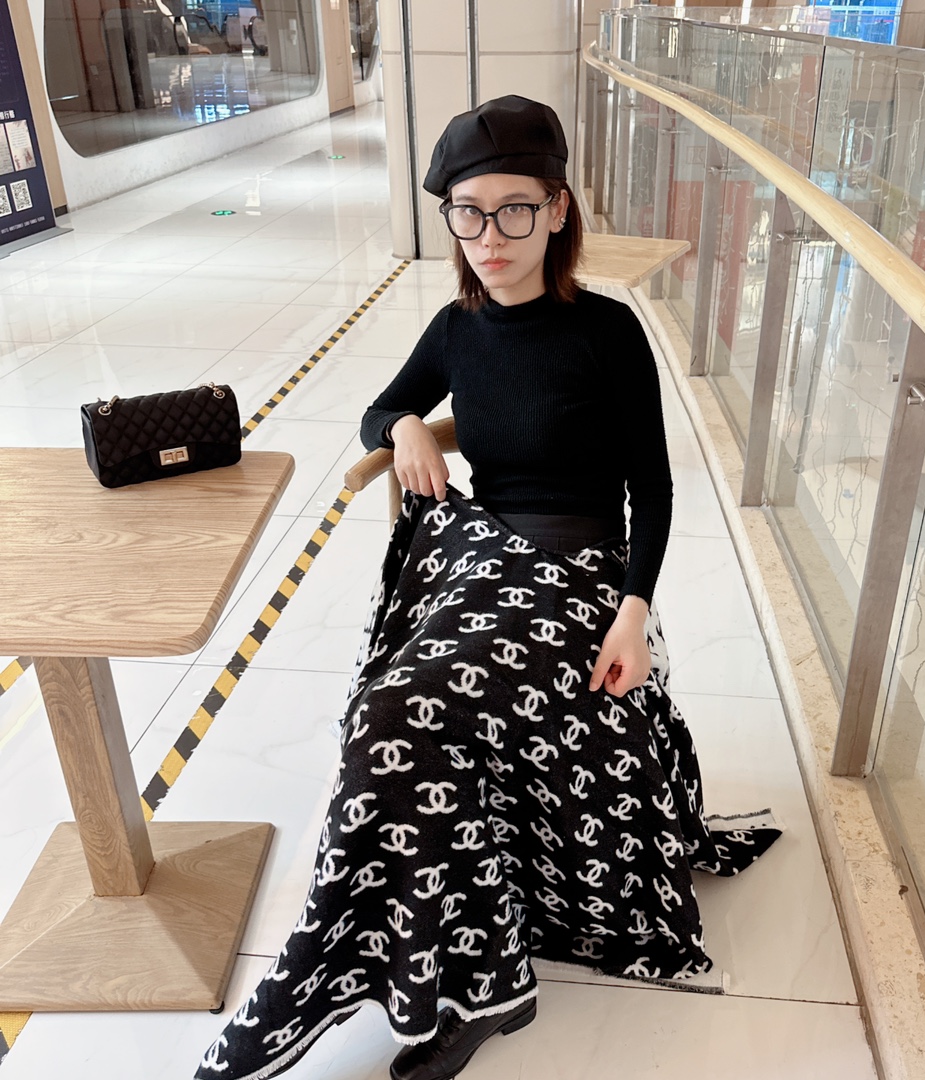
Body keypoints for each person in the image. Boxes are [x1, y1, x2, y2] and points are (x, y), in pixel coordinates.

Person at [194, 95, 780, 1080]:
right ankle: (463, 973)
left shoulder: (607, 331)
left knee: (413, 714)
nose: (490, 236)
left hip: (578, 576)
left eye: (515, 209)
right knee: (388, 713)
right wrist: (405, 427)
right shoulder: (456, 328)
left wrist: (632, 613)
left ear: (558, 209)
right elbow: (384, 406)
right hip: (483, 558)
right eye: (468, 212)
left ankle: (452, 988)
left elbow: (654, 487)